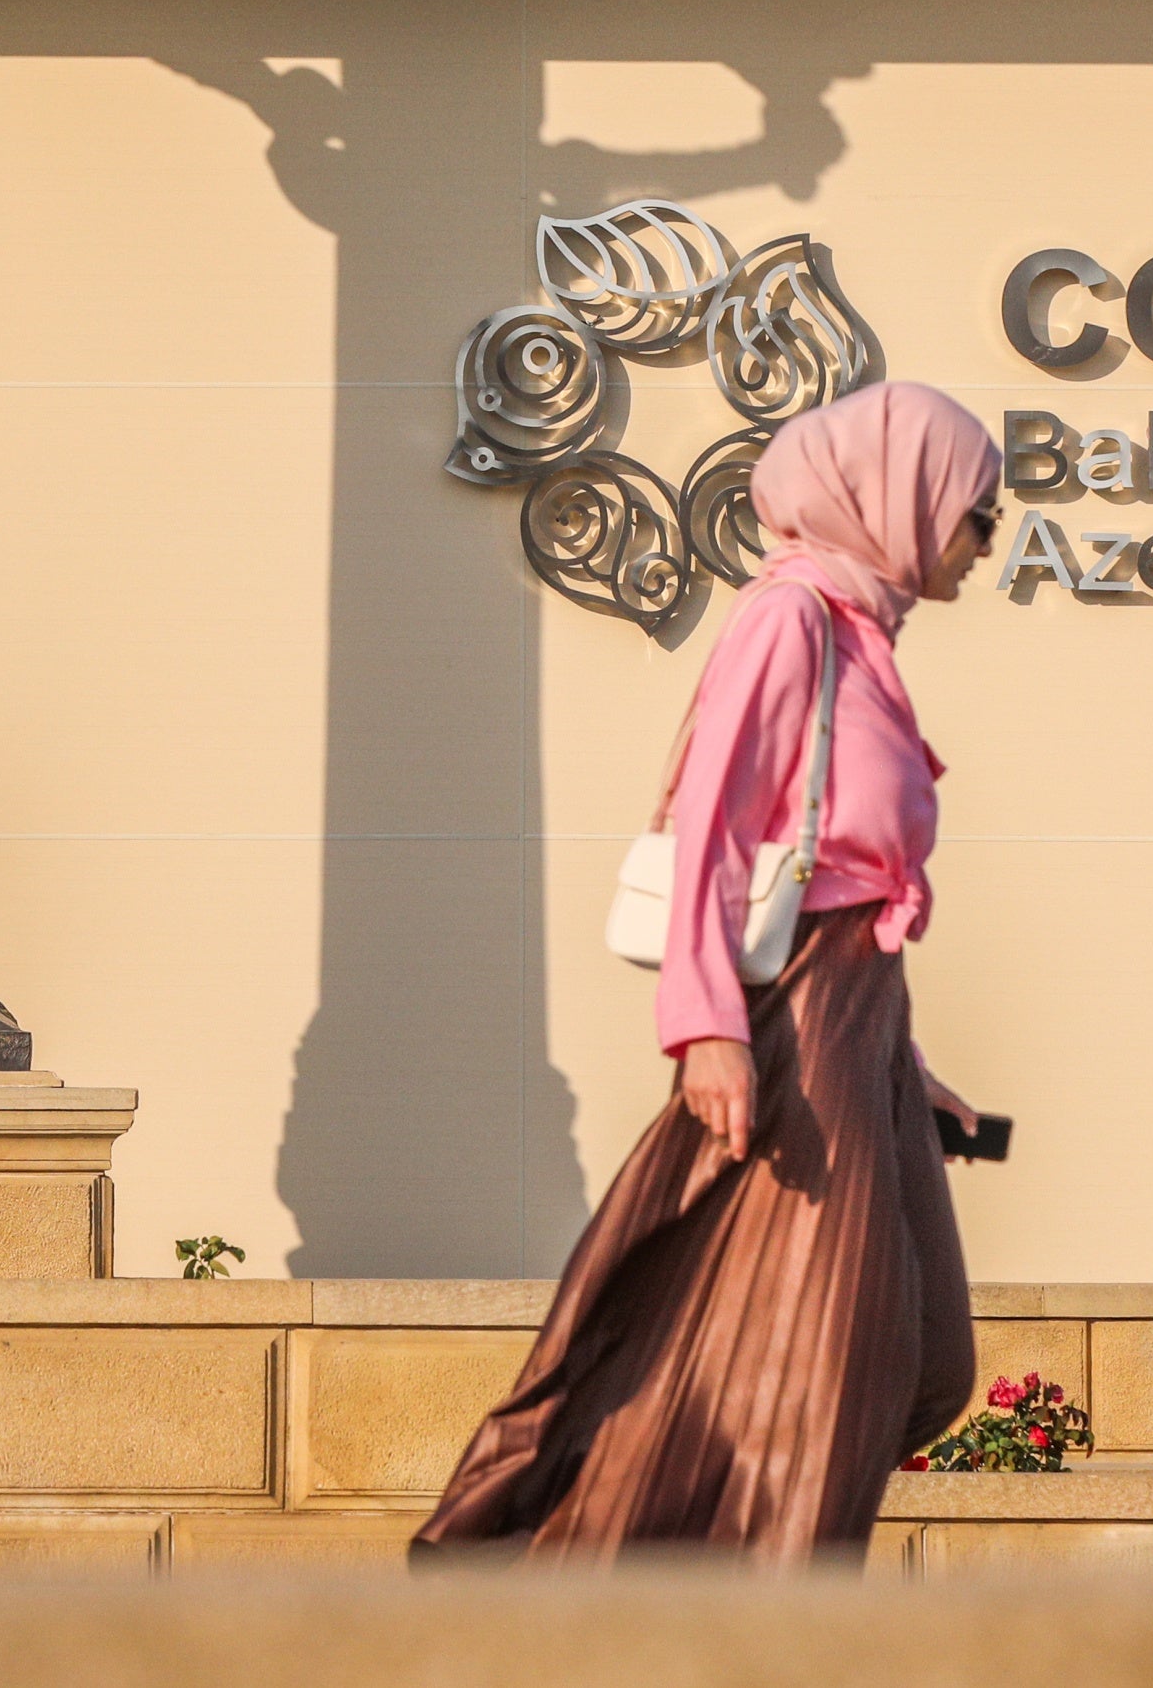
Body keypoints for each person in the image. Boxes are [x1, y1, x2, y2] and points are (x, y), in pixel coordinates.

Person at [413, 379, 999, 1567]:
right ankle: (706, 1599)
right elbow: (712, 827)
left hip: (859, 1022)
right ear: (904, 488)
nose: (990, 535)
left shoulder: (864, 635)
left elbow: (852, 879)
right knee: (830, 1350)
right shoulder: (791, 618)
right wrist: (707, 1026)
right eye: (977, 506)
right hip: (792, 1021)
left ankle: (650, 1559)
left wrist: (909, 1063)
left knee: (918, 1354)